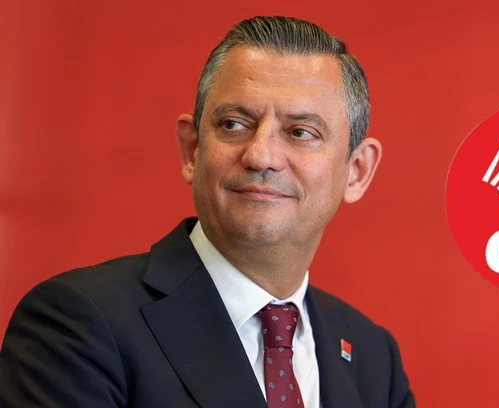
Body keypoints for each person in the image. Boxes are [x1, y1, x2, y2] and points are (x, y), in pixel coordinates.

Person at [0, 16, 414, 408]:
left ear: (357, 171)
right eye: (234, 124)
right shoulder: (77, 324)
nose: (261, 156)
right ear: (192, 150)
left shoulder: (374, 359)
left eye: (300, 132)